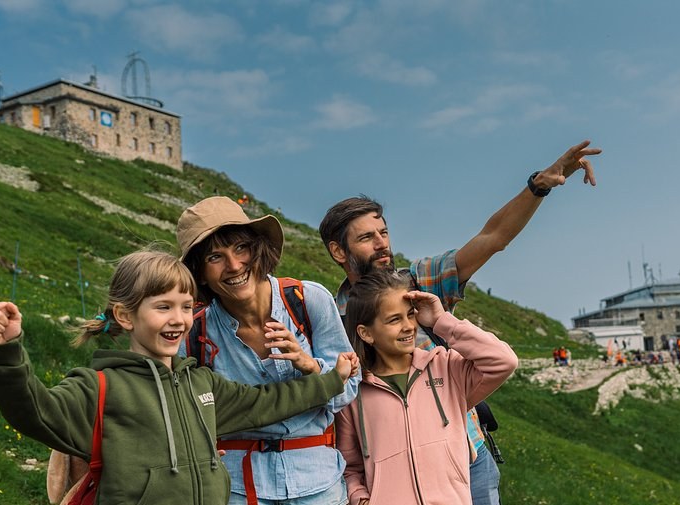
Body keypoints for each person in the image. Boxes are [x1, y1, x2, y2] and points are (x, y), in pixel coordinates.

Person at [318, 140, 600, 505]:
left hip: (467, 458)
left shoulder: (419, 281)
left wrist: (538, 186)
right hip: (392, 479)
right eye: (367, 238)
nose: (382, 244)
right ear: (338, 251)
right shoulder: (329, 316)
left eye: (384, 233)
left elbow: (492, 238)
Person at [0, 250, 357, 505]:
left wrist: (330, 380)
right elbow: (33, 411)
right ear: (126, 317)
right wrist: (5, 352)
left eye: (186, 307)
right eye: (163, 307)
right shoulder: (100, 387)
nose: (178, 319)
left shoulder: (202, 385)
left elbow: (269, 403)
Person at [177, 196, 361, 505]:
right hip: (236, 487)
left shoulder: (308, 300)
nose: (234, 266)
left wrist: (309, 366)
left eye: (240, 248)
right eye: (215, 257)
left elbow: (349, 390)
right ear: (199, 272)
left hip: (318, 483)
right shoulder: (195, 331)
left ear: (256, 248)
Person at [336, 270, 518, 505]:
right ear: (366, 333)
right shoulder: (354, 392)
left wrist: (441, 321)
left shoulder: (446, 367)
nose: (408, 326)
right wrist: (359, 497)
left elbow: (503, 361)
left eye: (410, 315)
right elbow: (349, 466)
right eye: (394, 320)